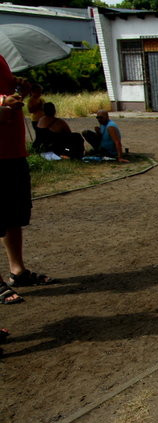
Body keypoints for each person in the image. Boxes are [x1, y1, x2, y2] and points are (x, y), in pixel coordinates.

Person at [1, 54, 52, 297]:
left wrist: (16, 85)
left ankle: (17, 271)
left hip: (12, 149)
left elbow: (6, 86)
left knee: (14, 213)